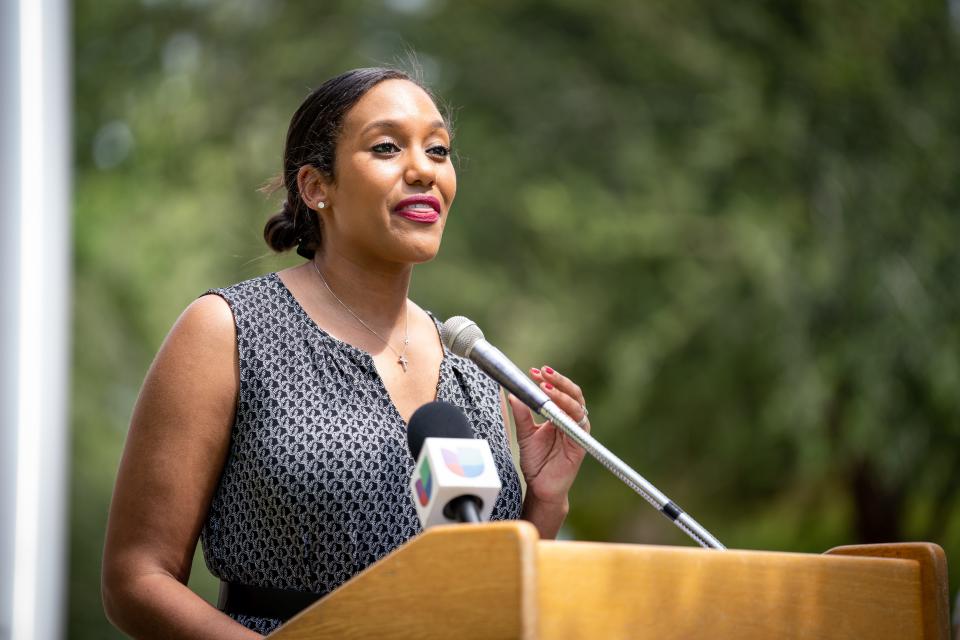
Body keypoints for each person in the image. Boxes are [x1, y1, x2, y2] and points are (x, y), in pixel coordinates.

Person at [101, 67, 590, 638]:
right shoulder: (229, 331)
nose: (423, 171)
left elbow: (486, 595)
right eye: (387, 147)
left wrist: (546, 502)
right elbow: (135, 579)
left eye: (438, 150)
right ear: (316, 187)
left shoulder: (468, 365)